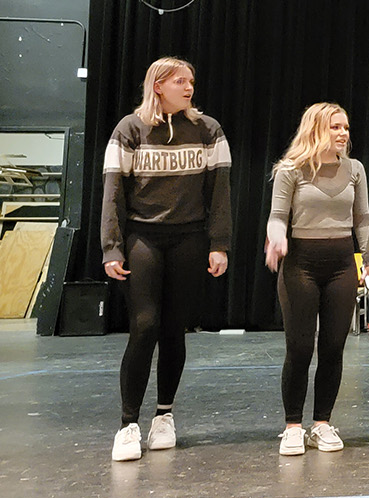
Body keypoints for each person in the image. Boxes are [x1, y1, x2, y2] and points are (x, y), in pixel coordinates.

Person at [102, 56, 231, 462]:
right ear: (158, 85)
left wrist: (219, 243)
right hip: (144, 237)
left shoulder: (208, 129)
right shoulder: (129, 129)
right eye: (180, 81)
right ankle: (127, 424)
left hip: (190, 237)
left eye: (191, 81)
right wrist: (111, 246)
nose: (189, 87)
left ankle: (164, 416)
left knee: (175, 328)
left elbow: (220, 194)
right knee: (145, 325)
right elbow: (113, 194)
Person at [265, 102, 369, 455]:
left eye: (345, 127)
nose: (343, 133)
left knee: (333, 347)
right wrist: (277, 237)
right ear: (315, 129)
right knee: (299, 348)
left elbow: (363, 220)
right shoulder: (290, 170)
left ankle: (323, 423)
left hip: (342, 264)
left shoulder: (355, 169)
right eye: (335, 127)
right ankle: (293, 426)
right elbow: (277, 216)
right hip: (301, 263)